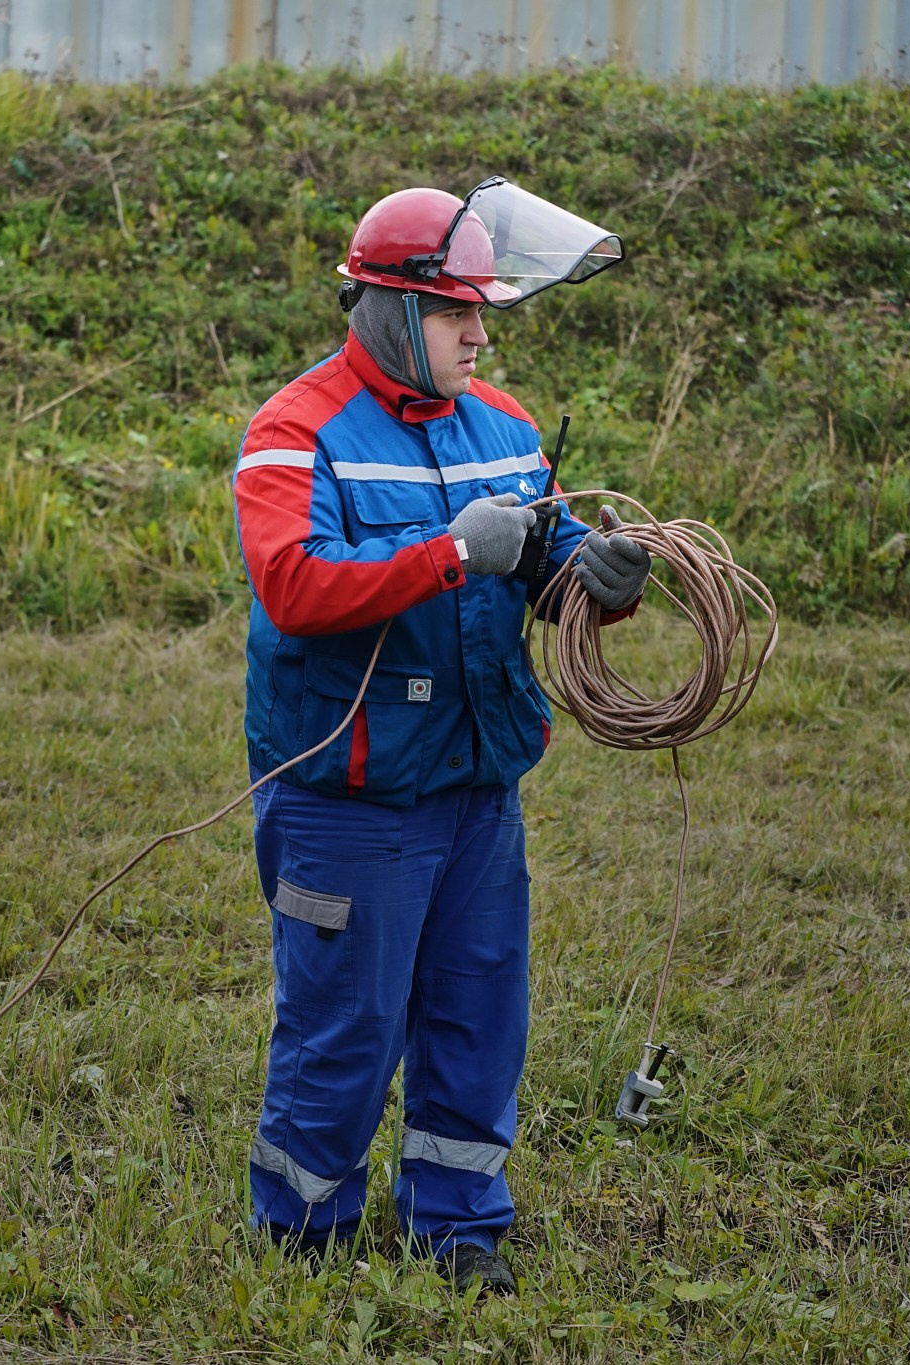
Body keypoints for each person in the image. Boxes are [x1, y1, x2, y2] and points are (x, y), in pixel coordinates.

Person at [230, 181, 647, 1295]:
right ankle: (301, 1239)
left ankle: (458, 1229)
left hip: (475, 787)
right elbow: (293, 585)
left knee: (477, 1012)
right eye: (459, 312)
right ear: (389, 307)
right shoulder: (294, 430)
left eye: (483, 312)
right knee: (345, 1027)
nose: (480, 334)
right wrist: (451, 553)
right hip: (349, 797)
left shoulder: (505, 426)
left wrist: (594, 579)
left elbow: (544, 562)